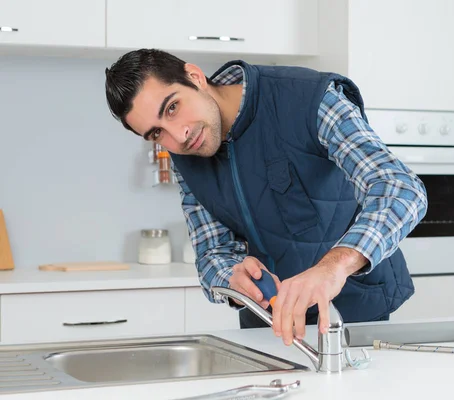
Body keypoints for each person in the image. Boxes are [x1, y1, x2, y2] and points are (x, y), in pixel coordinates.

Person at [104, 49, 428, 346]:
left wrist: (334, 266)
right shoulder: (184, 154)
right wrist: (230, 276)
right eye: (157, 133)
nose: (178, 136)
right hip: (269, 328)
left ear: (194, 76)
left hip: (357, 316)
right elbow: (212, 251)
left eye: (172, 108)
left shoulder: (309, 99)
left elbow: (400, 189)